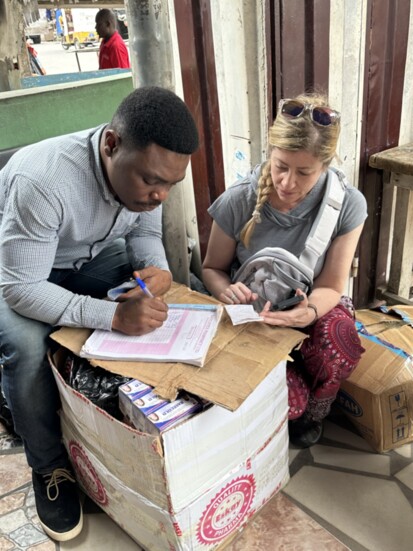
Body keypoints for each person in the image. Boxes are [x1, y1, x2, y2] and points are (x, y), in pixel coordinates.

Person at [0, 86, 198, 541]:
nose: (160, 195)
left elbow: (144, 235)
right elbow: (23, 288)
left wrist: (159, 272)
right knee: (27, 349)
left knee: (177, 300)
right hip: (18, 270)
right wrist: (111, 317)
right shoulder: (43, 180)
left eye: (171, 184)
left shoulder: (145, 185)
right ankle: (50, 467)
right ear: (111, 144)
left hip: (85, 258)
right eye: (152, 180)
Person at [202, 93, 367, 449]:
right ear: (270, 154)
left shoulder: (347, 204)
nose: (287, 182)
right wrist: (225, 290)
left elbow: (332, 285)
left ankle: (314, 413)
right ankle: (296, 397)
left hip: (311, 309)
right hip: (254, 316)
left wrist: (305, 313)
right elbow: (212, 268)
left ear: (324, 166)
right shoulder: (239, 200)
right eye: (280, 166)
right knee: (286, 401)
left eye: (304, 172)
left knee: (340, 340)